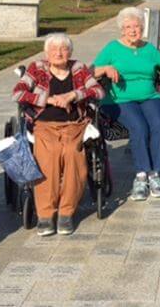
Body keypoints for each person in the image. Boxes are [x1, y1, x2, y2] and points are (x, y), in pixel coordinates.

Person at [12, 33, 105, 237]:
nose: (59, 53)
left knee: (73, 156)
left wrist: (73, 95)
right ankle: (45, 215)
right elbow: (18, 93)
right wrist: (49, 100)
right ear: (47, 53)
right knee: (49, 157)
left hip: (74, 124)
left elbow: (98, 91)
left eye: (63, 49)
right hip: (44, 124)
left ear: (70, 52)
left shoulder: (78, 68)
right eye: (54, 50)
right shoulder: (37, 68)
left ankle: (66, 212)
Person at [92, 7, 160, 201]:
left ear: (142, 28)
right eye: (128, 26)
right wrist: (106, 68)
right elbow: (91, 71)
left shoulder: (149, 49)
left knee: (157, 125)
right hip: (119, 99)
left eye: (136, 26)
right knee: (139, 127)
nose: (133, 30)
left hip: (148, 96)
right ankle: (140, 176)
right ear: (122, 29)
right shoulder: (112, 47)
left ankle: (154, 175)